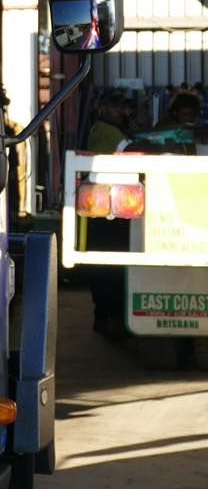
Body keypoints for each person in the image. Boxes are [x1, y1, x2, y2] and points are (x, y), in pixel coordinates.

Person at [83, 89, 133, 336]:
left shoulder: (103, 130)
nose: (121, 112)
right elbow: (133, 151)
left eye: (122, 108)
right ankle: (107, 316)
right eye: (116, 107)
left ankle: (106, 315)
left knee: (108, 265)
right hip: (108, 209)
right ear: (104, 109)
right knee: (110, 266)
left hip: (107, 208)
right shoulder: (106, 132)